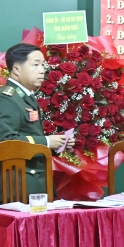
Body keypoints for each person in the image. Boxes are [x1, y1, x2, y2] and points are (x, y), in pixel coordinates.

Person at [0, 43, 74, 196]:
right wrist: (46, 142)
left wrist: (57, 143)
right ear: (16, 70)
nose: (42, 70)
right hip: (18, 186)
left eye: (43, 64)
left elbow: (28, 135)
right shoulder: (7, 98)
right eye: (36, 65)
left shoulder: (24, 96)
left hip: (35, 181)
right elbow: (6, 141)